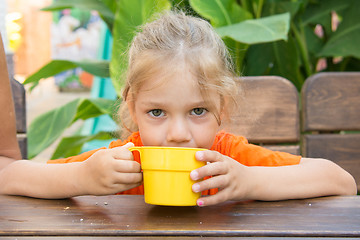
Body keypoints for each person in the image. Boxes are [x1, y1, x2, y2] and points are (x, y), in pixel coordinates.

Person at [46, 11, 356, 206]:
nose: (179, 134)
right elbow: (11, 177)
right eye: (157, 112)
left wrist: (249, 181)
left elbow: (341, 182)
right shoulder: (124, 161)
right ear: (133, 107)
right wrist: (82, 177)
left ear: (222, 107)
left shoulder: (230, 159)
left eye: (197, 111)